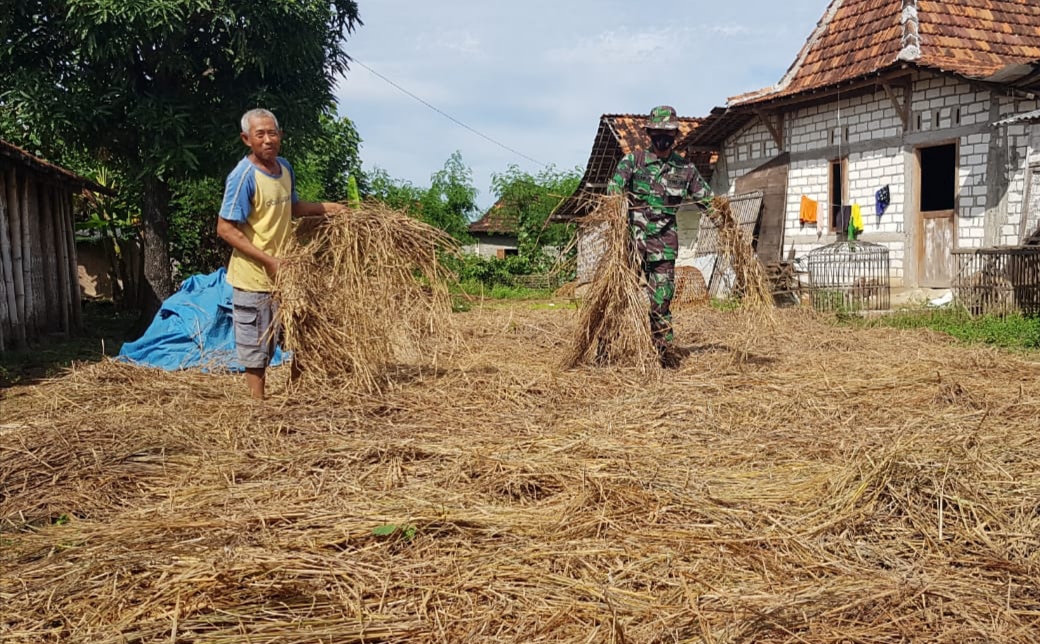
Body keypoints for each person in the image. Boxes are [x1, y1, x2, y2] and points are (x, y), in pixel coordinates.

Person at [216, 108, 342, 400]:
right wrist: (269, 261)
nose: (268, 139)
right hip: (254, 277)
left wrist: (329, 208)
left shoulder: (284, 168)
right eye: (260, 134)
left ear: (280, 136)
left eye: (272, 133)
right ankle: (258, 408)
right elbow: (224, 228)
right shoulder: (243, 176)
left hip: (288, 274)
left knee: (305, 337)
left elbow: (293, 208)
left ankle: (293, 396)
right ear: (247, 139)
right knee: (257, 347)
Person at [607, 105, 713, 368]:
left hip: (663, 249)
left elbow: (708, 201)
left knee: (661, 302)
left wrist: (727, 223)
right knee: (617, 300)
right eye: (657, 133)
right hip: (630, 247)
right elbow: (613, 191)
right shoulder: (632, 163)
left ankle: (664, 354)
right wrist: (615, 209)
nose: (662, 138)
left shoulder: (685, 170)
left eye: (668, 133)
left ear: (675, 135)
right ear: (649, 134)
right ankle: (606, 351)